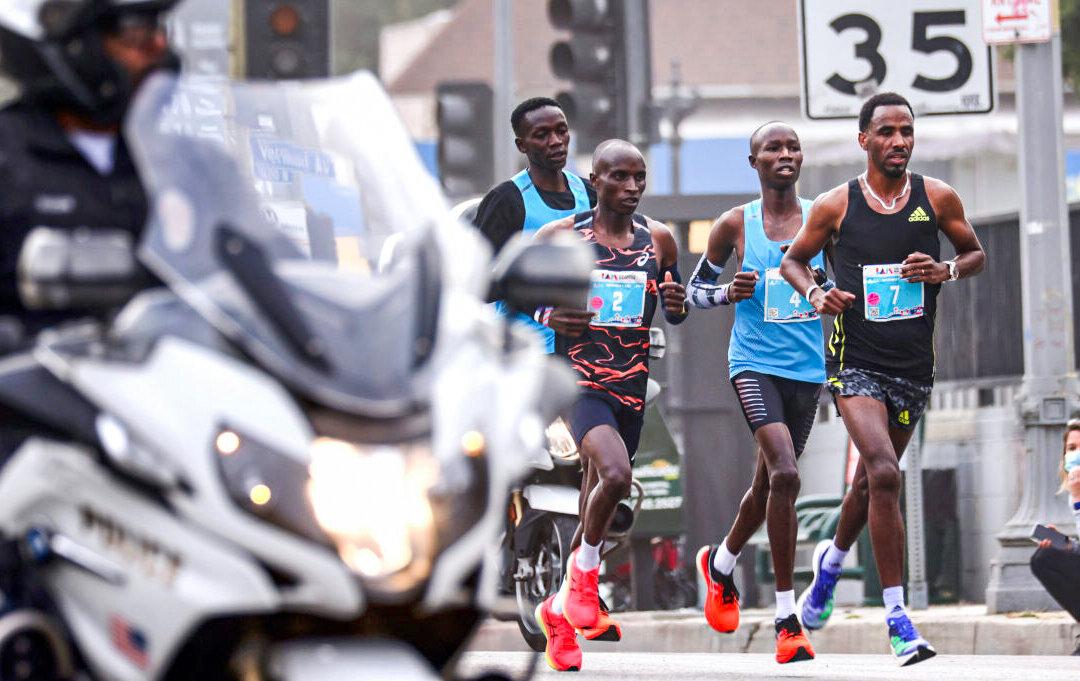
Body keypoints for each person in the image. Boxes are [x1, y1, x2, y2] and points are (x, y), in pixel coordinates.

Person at [781, 92, 986, 666]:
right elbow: (792, 261)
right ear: (864, 140)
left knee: (872, 484)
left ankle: (827, 568)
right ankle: (898, 619)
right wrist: (818, 293)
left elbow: (975, 254)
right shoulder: (836, 204)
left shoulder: (936, 197)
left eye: (906, 131)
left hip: (912, 366)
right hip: (855, 363)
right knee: (884, 470)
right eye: (887, 132)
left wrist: (944, 269)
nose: (899, 141)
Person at [531, 140, 687, 672]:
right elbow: (520, 290)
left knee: (594, 496)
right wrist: (549, 314)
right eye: (619, 177)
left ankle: (558, 611)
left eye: (639, 177)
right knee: (617, 476)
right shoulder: (561, 236)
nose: (631, 187)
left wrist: (676, 305)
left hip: (631, 385)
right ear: (595, 181)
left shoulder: (658, 238)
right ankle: (584, 585)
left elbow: (675, 304)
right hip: (578, 381)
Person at [686, 122, 823, 664]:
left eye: (793, 147)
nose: (785, 154)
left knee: (768, 486)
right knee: (786, 473)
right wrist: (727, 291)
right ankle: (788, 619)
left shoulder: (823, 217)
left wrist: (830, 289)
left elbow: (845, 277)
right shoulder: (734, 224)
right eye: (773, 148)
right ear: (754, 162)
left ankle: (720, 562)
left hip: (808, 370)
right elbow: (695, 292)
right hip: (753, 364)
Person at [0, 0, 178, 347]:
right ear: (71, 47)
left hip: (175, 372)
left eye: (159, 30)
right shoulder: (8, 158)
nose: (159, 47)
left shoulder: (183, 160)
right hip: (40, 375)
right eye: (135, 34)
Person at [473, 97, 595, 352]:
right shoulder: (506, 200)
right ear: (522, 145)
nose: (556, 141)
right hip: (528, 353)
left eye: (561, 131)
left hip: (589, 355)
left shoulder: (590, 194)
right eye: (542, 135)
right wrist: (542, 312)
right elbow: (477, 282)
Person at [1030, 419, 1080, 656]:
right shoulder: (1075, 495)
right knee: (1044, 557)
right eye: (1071, 448)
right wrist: (1065, 543)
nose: (1076, 453)